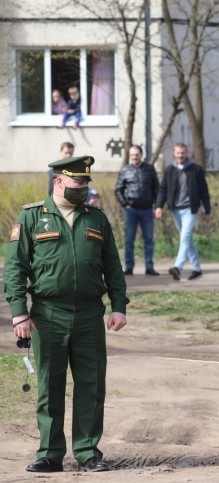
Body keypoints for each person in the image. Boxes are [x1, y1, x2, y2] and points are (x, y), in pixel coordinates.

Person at [5, 155, 128, 473]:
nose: (84, 189)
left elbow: (113, 266)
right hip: (47, 315)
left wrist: (119, 306)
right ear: (58, 181)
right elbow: (15, 269)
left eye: (87, 183)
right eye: (78, 183)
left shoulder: (96, 219)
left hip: (89, 315)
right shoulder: (32, 217)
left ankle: (88, 452)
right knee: (50, 385)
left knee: (92, 384)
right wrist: (19, 313)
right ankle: (50, 453)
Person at [155, 143, 211, 281]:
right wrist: (158, 206)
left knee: (185, 237)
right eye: (178, 153)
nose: (180, 155)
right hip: (175, 209)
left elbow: (204, 190)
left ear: (187, 153)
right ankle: (197, 269)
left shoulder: (196, 170)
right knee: (187, 239)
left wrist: (207, 210)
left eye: (183, 153)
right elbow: (163, 189)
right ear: (174, 154)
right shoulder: (169, 170)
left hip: (190, 209)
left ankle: (178, 268)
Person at [115, 144, 160, 276]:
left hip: (147, 210)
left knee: (148, 240)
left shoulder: (150, 169)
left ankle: (149, 267)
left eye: (137, 154)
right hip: (131, 210)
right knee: (129, 240)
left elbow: (156, 189)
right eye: (132, 155)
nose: (134, 157)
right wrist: (125, 204)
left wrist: (156, 206)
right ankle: (129, 267)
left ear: (141, 155)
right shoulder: (124, 170)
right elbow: (118, 190)